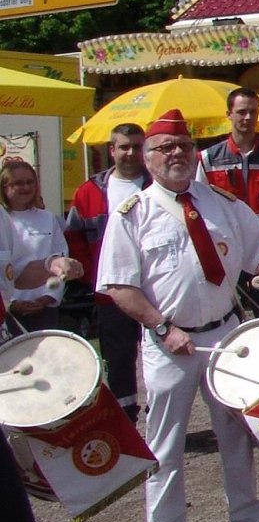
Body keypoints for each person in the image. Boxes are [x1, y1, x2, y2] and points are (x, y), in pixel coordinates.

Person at [97, 109, 259, 522]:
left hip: (224, 334)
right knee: (165, 442)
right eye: (166, 148)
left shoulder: (221, 202)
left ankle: (247, 517)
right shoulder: (133, 215)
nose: (177, 154)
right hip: (168, 342)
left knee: (236, 431)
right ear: (148, 158)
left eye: (184, 146)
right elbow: (119, 286)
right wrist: (163, 328)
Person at [65, 123, 150, 418]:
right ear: (111, 150)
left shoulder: (158, 186)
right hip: (111, 294)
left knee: (159, 358)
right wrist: (96, 276)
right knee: (119, 359)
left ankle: (159, 418)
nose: (131, 153)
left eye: (137, 146)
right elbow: (73, 238)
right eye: (124, 147)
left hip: (156, 291)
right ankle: (126, 418)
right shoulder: (89, 191)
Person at [198, 87, 259, 319]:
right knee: (226, 317)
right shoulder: (208, 158)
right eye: (242, 112)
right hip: (226, 250)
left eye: (253, 112)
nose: (248, 117)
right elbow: (201, 204)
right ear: (229, 114)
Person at [5, 159, 69, 333]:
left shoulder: (47, 218)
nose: (26, 187)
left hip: (44, 309)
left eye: (30, 182)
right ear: (4, 186)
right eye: (18, 183)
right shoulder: (3, 219)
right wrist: (11, 303)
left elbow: (61, 259)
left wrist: (48, 298)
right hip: (8, 311)